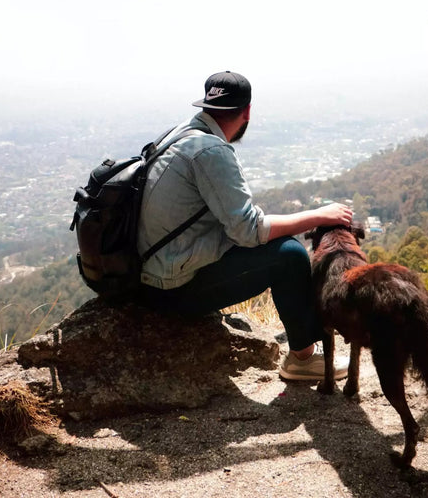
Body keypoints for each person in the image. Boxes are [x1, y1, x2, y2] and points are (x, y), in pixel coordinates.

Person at [138, 71, 353, 380]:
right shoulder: (211, 151)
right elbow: (249, 231)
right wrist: (320, 215)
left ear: (206, 106)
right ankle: (303, 360)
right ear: (247, 111)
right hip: (172, 293)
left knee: (277, 246)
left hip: (148, 275)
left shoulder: (179, 135)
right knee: (290, 255)